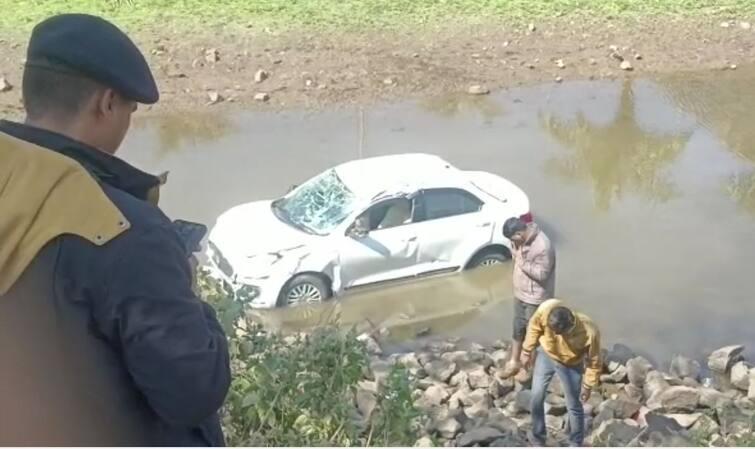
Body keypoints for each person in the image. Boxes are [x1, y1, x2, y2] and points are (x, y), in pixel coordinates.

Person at [0, 14, 230, 446]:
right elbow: (194, 393)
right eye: (130, 109)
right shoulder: (125, 231)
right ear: (107, 103)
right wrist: (191, 293)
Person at [520, 299, 602, 447]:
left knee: (574, 405)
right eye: (552, 331)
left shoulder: (589, 332)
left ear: (569, 325)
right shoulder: (547, 309)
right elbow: (534, 326)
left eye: (559, 332)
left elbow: (594, 361)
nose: (555, 334)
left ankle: (575, 442)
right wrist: (527, 350)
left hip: (571, 364)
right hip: (547, 355)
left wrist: (588, 385)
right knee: (536, 396)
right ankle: (538, 437)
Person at [499, 216, 556, 381]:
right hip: (520, 293)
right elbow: (515, 253)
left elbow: (542, 275)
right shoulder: (517, 241)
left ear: (519, 233)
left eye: (512, 239)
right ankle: (514, 362)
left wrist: (520, 260)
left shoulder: (543, 246)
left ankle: (529, 369)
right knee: (518, 329)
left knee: (534, 335)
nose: (512, 243)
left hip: (536, 297)